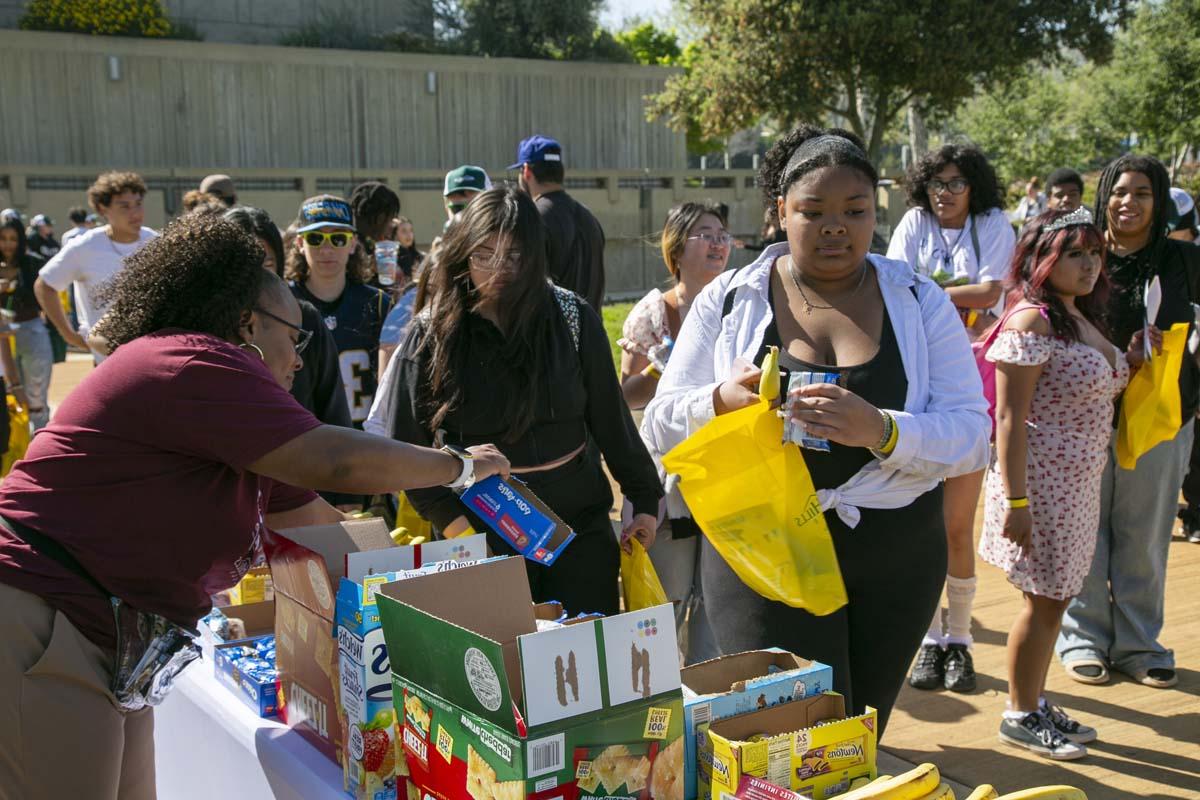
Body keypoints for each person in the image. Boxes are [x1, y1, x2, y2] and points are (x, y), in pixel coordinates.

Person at [0, 212, 509, 800]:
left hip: (113, 638)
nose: (299, 360)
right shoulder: (195, 361)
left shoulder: (242, 422)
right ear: (246, 324)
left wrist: (457, 618)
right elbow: (339, 463)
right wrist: (458, 466)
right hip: (49, 618)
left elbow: (332, 537)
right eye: (294, 338)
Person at [644, 126, 990, 734]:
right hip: (763, 553)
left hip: (895, 555)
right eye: (814, 211)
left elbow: (970, 434)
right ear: (780, 212)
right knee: (785, 736)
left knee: (856, 736)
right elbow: (660, 422)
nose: (836, 227)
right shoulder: (731, 299)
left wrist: (882, 430)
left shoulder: (918, 299)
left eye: (855, 211)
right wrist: (720, 401)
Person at [384, 186, 662, 615]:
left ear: (535, 256)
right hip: (478, 532)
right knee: (495, 673)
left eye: (514, 256)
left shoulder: (573, 318)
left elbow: (612, 421)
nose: (498, 270)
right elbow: (409, 451)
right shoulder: (432, 333)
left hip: (578, 530)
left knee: (582, 664)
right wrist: (461, 535)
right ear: (462, 254)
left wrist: (643, 500)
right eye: (484, 254)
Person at [981, 207, 1148, 760]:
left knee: (1056, 599)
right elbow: (1009, 417)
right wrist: (1018, 500)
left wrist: (1131, 363)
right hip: (1040, 487)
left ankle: (1032, 701)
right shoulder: (1032, 320)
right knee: (1044, 601)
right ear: (1041, 258)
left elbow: (1087, 389)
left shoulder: (1075, 315)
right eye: (1074, 253)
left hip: (1077, 485)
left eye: (1095, 252)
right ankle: (1019, 713)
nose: (1089, 263)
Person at [1057, 154, 1200, 689]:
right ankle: (1083, 638)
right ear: (1103, 197)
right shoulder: (1080, 253)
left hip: (1161, 418)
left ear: (1159, 200)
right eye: (1119, 191)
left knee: (1145, 533)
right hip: (1085, 415)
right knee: (1084, 532)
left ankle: (1141, 643)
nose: (1128, 202)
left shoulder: (1184, 261)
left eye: (1142, 193)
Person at [888, 144, 1015, 694]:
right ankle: (924, 642)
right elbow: (892, 281)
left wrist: (929, 293)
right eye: (937, 182)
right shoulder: (913, 222)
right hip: (911, 391)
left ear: (975, 186)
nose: (945, 191)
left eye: (957, 182)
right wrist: (957, 299)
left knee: (956, 525)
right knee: (912, 529)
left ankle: (958, 639)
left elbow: (994, 292)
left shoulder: (993, 225)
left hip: (970, 388)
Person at [618, 200, 731, 664]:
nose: (719, 243)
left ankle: (710, 707)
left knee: (718, 606)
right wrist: (661, 368)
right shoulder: (654, 312)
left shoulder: (740, 303)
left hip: (727, 474)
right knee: (665, 600)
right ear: (677, 248)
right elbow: (624, 397)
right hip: (666, 475)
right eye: (706, 233)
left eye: (723, 233)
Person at [222, 205, 351, 431]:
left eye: (267, 264)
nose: (257, 276)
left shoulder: (306, 320)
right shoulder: (202, 330)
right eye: (245, 265)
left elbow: (335, 418)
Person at [285, 195, 393, 429]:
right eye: (315, 238)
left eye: (338, 238)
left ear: (353, 243)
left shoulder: (378, 303)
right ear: (299, 244)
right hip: (302, 440)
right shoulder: (282, 302)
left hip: (364, 441)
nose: (327, 249)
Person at [34, 171, 156, 364]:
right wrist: (68, 334)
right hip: (107, 361)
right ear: (102, 209)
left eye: (138, 204)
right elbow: (45, 285)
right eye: (124, 206)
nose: (135, 213)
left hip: (151, 357)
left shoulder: (156, 242)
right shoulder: (84, 247)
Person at [510, 134, 606, 309]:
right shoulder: (589, 218)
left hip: (551, 335)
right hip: (593, 333)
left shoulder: (532, 220)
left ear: (526, 171)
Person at [0, 217, 51, 428]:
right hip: (2, 338)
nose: (8, 244)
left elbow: (47, 294)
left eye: (13, 238)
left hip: (30, 328)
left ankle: (39, 438)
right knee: (10, 391)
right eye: (2, 238)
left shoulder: (33, 263)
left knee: (36, 391)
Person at [393, 215, 424, 281]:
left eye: (411, 230)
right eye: (404, 231)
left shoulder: (419, 256)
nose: (409, 234)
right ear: (395, 235)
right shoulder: (392, 258)